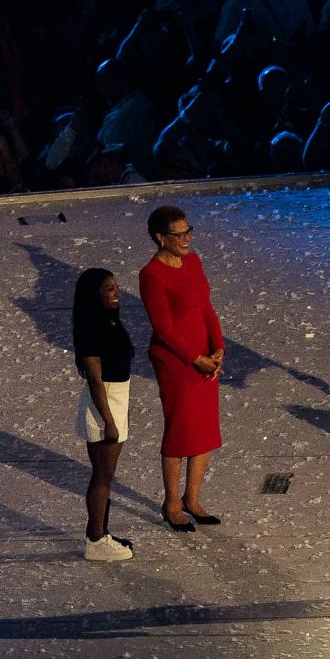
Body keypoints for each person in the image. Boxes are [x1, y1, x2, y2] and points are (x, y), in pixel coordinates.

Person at [139, 205, 225, 532]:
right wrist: (197, 359)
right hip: (176, 362)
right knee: (180, 430)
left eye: (189, 231)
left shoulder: (193, 262)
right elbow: (164, 329)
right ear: (160, 238)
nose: (186, 238)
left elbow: (206, 307)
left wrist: (218, 348)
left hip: (203, 356)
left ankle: (193, 499)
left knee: (202, 429)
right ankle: (172, 502)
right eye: (179, 234)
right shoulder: (152, 274)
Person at [73, 268, 135, 561]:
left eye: (116, 287)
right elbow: (96, 380)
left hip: (116, 400)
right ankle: (95, 539)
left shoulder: (108, 320)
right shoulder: (91, 327)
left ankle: (99, 532)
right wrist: (109, 421)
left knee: (106, 476)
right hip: (105, 403)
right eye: (109, 289)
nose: (117, 293)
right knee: (102, 476)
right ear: (94, 295)